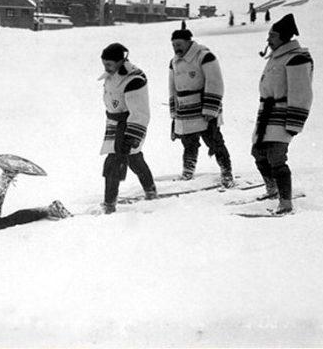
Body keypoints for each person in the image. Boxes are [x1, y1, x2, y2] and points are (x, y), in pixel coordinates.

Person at [252, 13, 314, 214]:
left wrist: (294, 123)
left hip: (282, 115)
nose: (268, 39)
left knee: (276, 158)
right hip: (266, 115)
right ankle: (272, 189)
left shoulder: (297, 58)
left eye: (273, 35)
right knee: (259, 154)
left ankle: (285, 202)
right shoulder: (277, 55)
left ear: (284, 37)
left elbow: (302, 92)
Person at [169, 21, 234, 187]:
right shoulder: (174, 61)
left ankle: (226, 173)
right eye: (174, 45)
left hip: (203, 108)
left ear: (189, 42)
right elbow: (172, 86)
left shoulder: (205, 56)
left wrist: (210, 109)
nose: (176, 48)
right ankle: (188, 172)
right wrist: (174, 110)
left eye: (179, 44)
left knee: (214, 142)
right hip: (184, 110)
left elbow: (215, 82)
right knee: (188, 143)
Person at [99, 42, 157, 213]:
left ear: (120, 61)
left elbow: (140, 111)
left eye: (109, 64)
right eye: (104, 64)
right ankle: (150, 189)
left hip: (129, 125)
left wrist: (132, 136)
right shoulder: (112, 75)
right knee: (134, 159)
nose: (106, 68)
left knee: (115, 162)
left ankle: (109, 204)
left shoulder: (133, 80)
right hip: (114, 125)